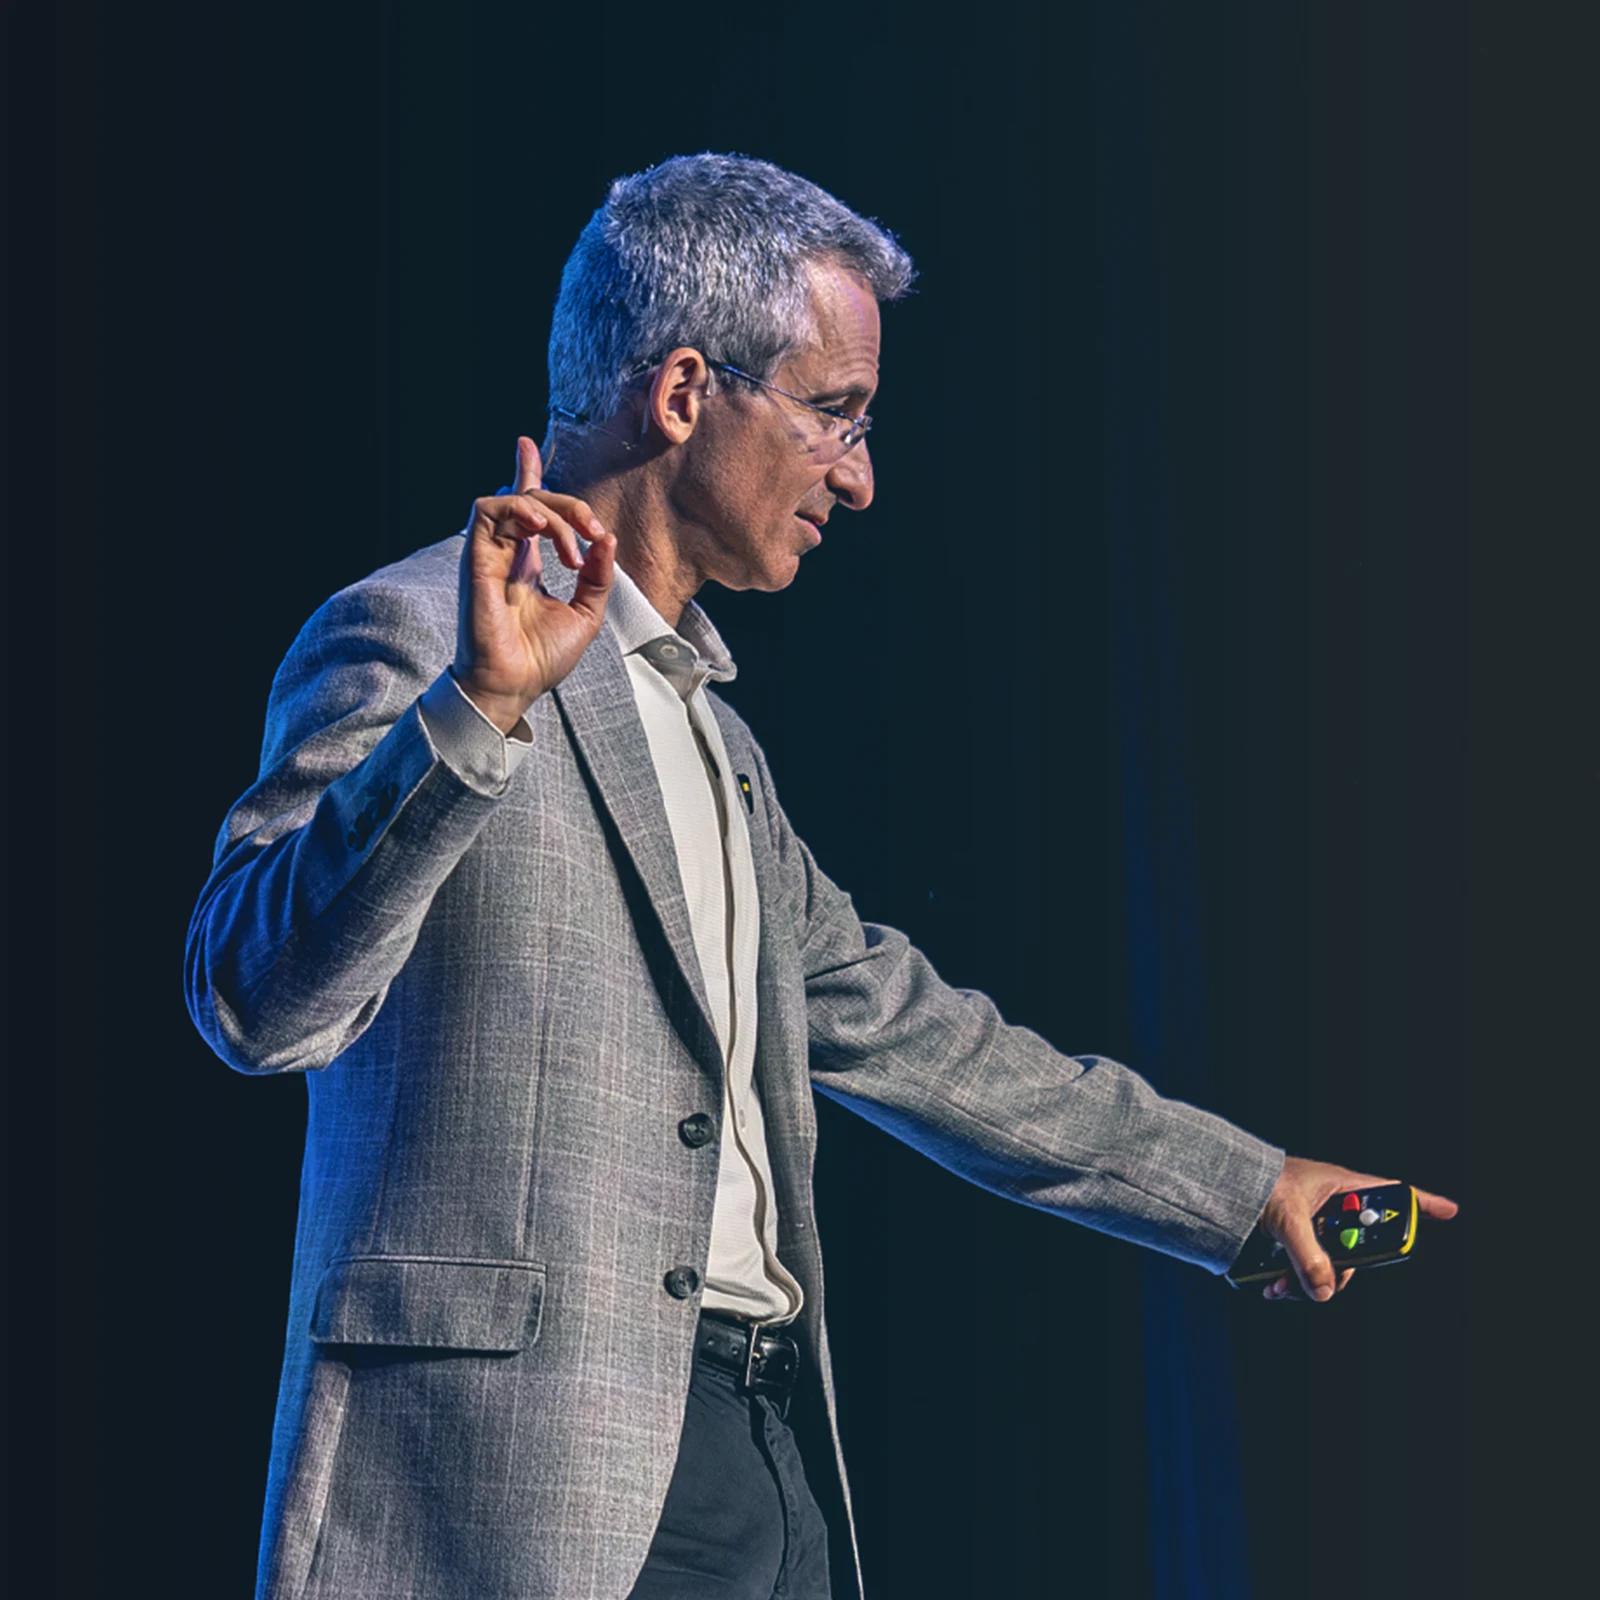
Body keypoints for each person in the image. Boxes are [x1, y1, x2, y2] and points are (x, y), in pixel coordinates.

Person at [183, 153, 1458, 1600]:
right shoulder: (415, 636)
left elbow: (919, 1035)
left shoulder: (719, 742)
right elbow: (250, 998)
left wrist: (1243, 1189)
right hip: (512, 1478)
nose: (858, 475)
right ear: (684, 392)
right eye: (835, 413)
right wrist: (476, 712)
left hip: (763, 1454)